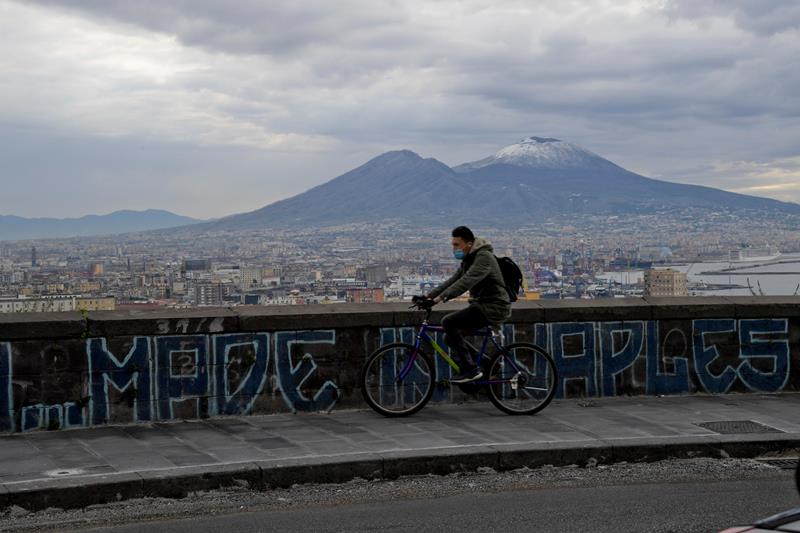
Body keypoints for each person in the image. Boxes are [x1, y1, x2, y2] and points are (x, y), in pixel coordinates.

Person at [424, 226, 511, 383]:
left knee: (448, 321)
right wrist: (428, 296)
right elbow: (454, 279)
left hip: (494, 306)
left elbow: (466, 281)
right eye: (453, 244)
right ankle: (490, 364)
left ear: (469, 244)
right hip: (481, 305)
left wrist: (440, 299)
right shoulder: (468, 259)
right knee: (450, 338)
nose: (454, 248)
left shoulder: (483, 257)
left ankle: (471, 370)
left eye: (457, 245)